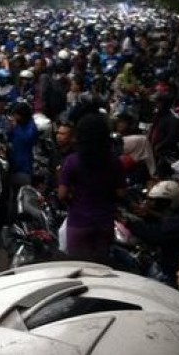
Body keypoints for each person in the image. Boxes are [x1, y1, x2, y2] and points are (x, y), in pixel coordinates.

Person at [58, 113, 126, 264]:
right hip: (104, 223)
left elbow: (61, 194)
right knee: (101, 268)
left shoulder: (72, 161)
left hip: (79, 223)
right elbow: (121, 193)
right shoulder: (114, 162)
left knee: (79, 267)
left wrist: (73, 200)